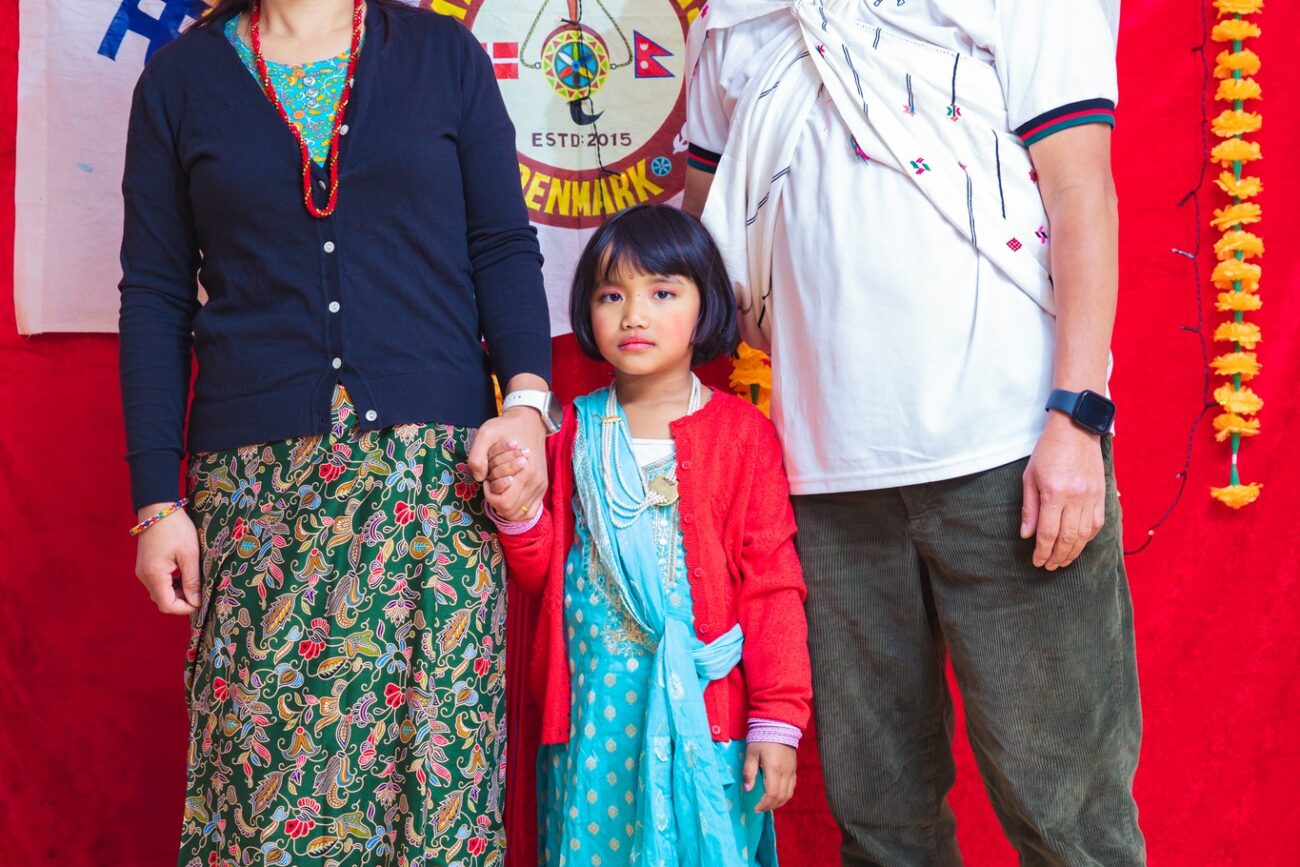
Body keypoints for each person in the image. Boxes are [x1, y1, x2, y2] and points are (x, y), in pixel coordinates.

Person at [683, 1, 1144, 865]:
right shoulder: (735, 20)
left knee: (1071, 820)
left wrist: (1078, 417)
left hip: (1009, 449)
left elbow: (1081, 184)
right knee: (880, 826)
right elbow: (707, 240)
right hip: (822, 480)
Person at [117, 1, 559, 862]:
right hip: (259, 498)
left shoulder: (441, 54)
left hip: (434, 488)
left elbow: (503, 245)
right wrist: (156, 501)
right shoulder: (180, 80)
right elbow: (156, 296)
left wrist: (526, 406)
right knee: (263, 798)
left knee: (438, 790)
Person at [486, 204, 812, 866]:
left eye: (662, 293)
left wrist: (778, 718)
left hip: (710, 720)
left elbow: (773, 586)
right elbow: (545, 574)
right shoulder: (567, 433)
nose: (634, 314)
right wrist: (516, 515)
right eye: (612, 295)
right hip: (591, 720)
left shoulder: (743, 437)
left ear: (706, 305)